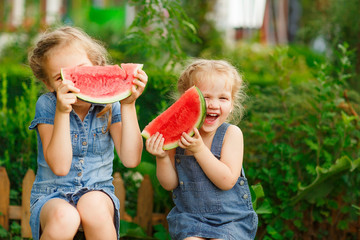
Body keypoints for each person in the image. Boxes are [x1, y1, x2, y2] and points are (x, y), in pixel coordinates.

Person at [28, 26, 147, 240]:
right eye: (61, 78)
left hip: (98, 193)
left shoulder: (112, 105)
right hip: (51, 196)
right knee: (65, 216)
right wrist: (62, 112)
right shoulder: (47, 104)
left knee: (92, 205)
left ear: (97, 65)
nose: (73, 83)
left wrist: (128, 104)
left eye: (82, 71)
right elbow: (60, 166)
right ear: (47, 84)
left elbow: (131, 159)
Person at [145, 59, 258, 240]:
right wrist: (162, 157)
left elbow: (227, 180)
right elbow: (170, 184)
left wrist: (199, 150)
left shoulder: (231, 134)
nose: (213, 104)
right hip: (191, 220)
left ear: (232, 104)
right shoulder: (180, 137)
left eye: (223, 98)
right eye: (205, 97)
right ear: (186, 101)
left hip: (231, 221)